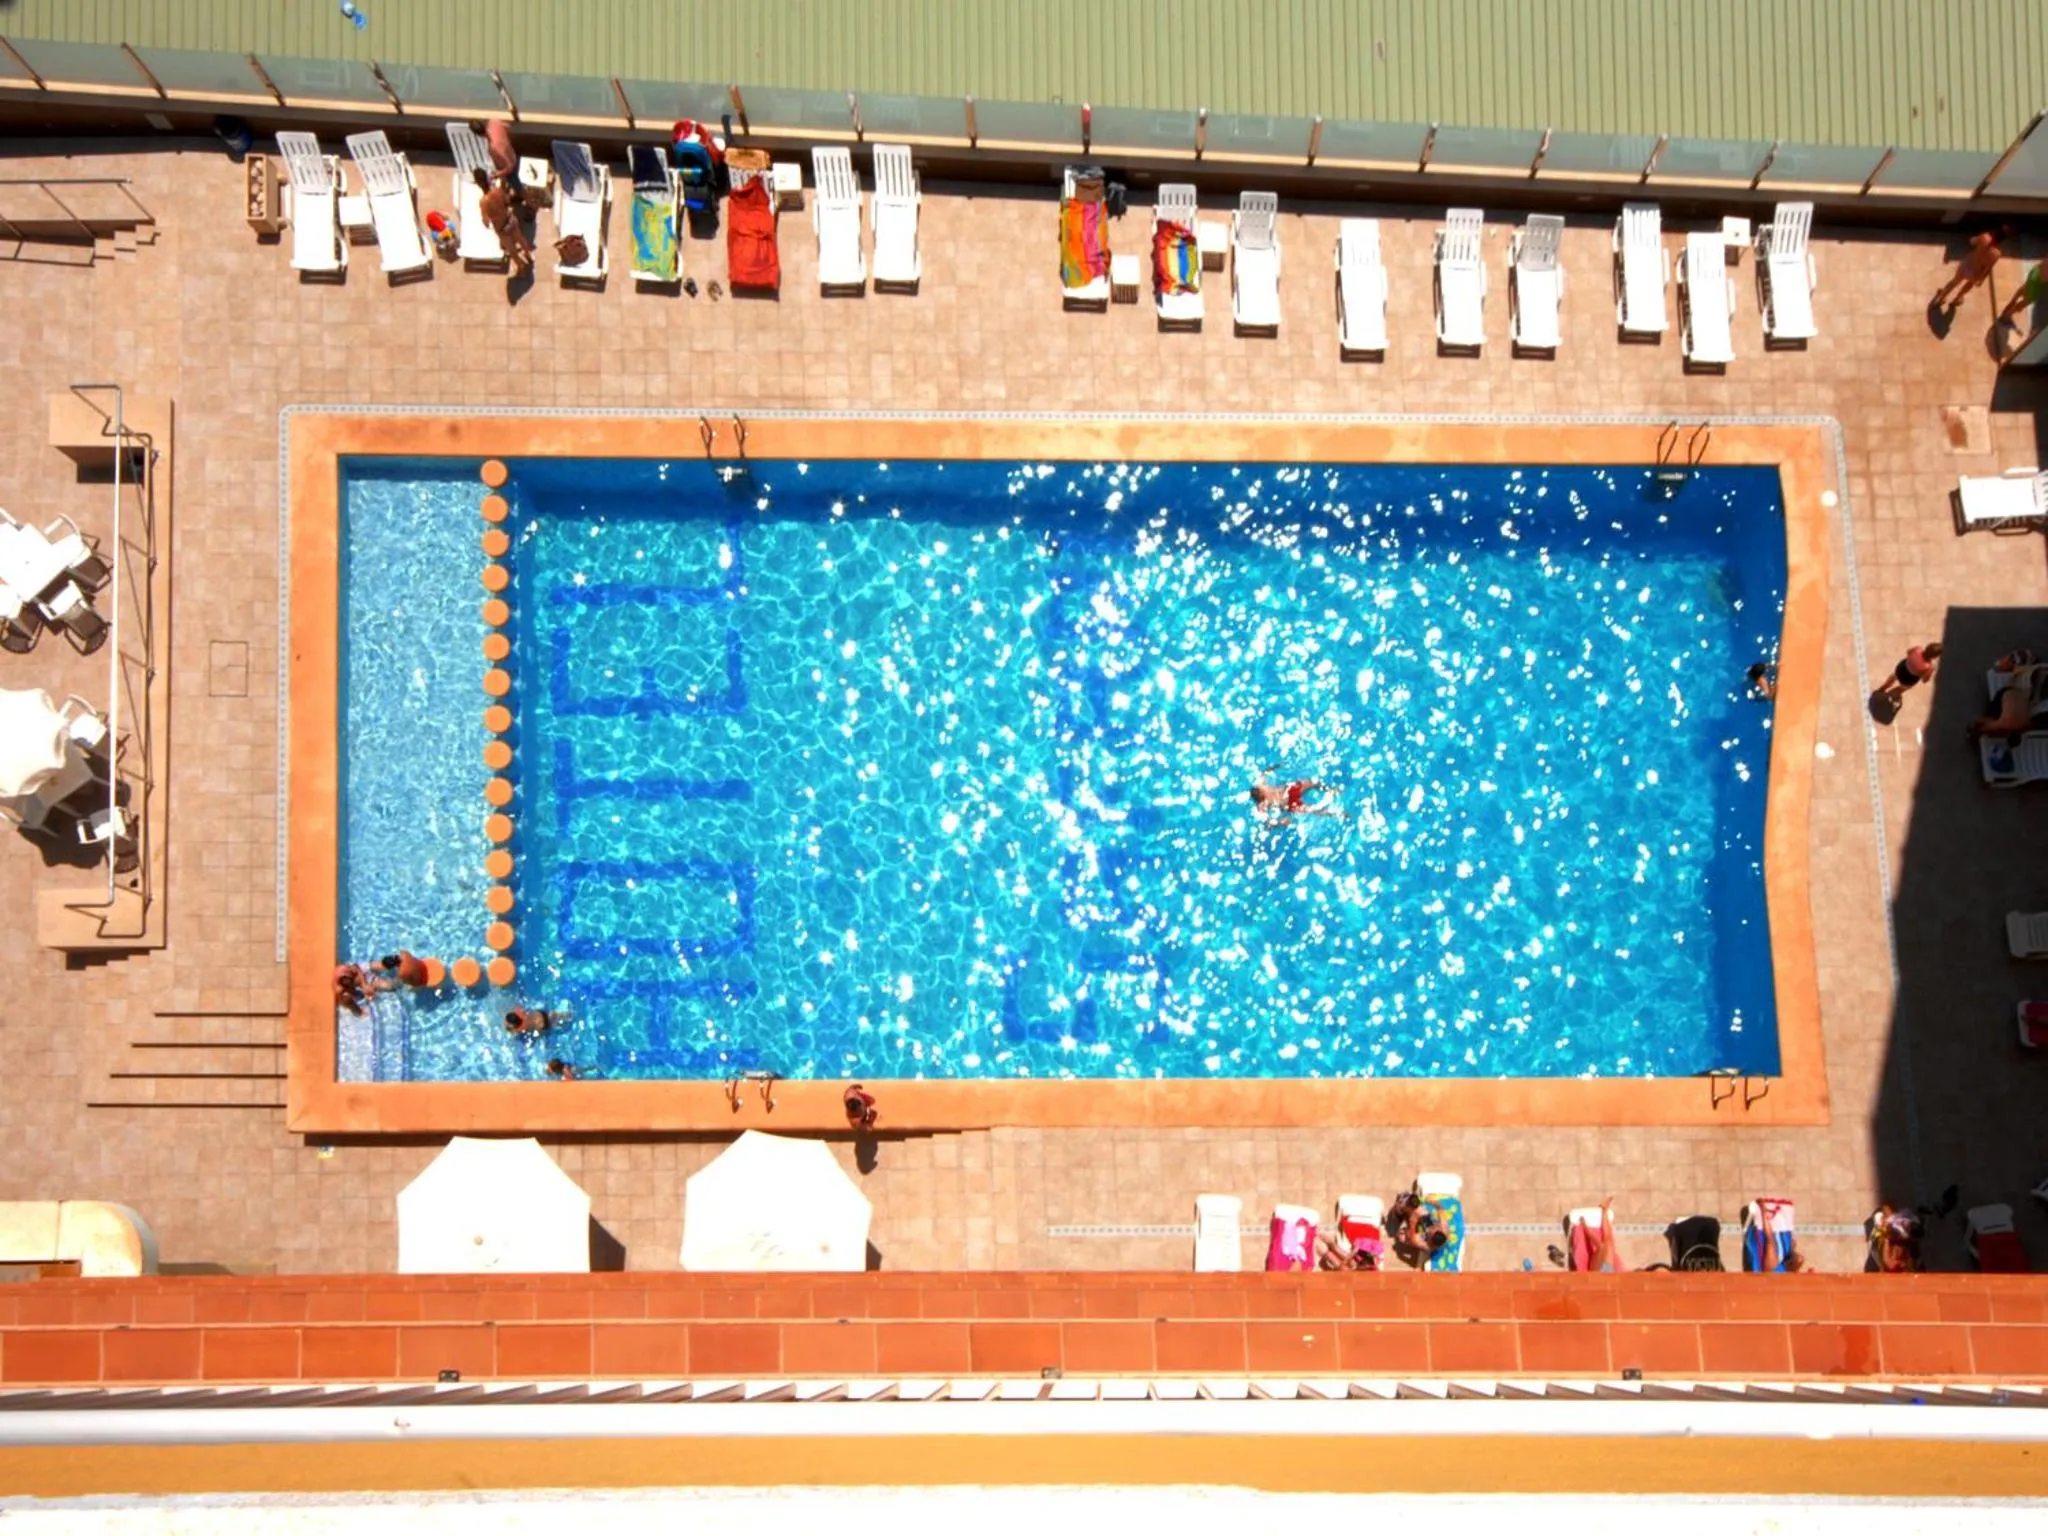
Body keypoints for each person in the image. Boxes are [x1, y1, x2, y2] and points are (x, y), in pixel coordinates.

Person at [474, 168, 533, 272]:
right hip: (510, 220)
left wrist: (487, 221)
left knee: (512, 251)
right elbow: (507, 200)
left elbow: (486, 222)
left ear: (478, 184)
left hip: (502, 229)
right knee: (520, 239)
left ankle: (521, 267)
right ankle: (528, 255)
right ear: (487, 179)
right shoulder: (497, 190)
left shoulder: (483, 202)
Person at [1934, 228, 2008, 311]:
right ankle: (1957, 298)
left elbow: (1972, 241)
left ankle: (1941, 298)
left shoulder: (1984, 237)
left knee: (1954, 282)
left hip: (1967, 264)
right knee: (1969, 284)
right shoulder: (1996, 254)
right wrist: (1982, 280)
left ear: (1994, 233)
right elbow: (1988, 268)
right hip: (1976, 272)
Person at [1873, 640, 1941, 703]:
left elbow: (1908, 652)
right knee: (1901, 689)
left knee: (1894, 676)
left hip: (1902, 668)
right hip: (1909, 679)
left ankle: (1883, 688)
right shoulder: (1928, 667)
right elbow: (1924, 680)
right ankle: (1888, 696)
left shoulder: (1917, 649)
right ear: (1934, 657)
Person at [1249, 775, 1340, 819]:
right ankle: (1333, 795)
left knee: (1313, 809)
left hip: (1288, 799)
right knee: (1312, 784)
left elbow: (1266, 819)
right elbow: (1264, 774)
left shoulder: (1262, 801)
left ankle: (1336, 812)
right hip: (1288, 795)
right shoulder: (1261, 789)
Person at [1999, 260, 2046, 326]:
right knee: (2024, 303)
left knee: (2023, 289)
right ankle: (2007, 316)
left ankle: (2012, 302)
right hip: (2038, 284)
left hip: (2036, 271)